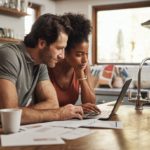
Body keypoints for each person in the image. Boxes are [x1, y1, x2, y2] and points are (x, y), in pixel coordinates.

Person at [0, 13, 83, 124]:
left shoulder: (41, 64)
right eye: (59, 48)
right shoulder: (8, 55)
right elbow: (9, 115)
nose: (62, 56)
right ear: (42, 43)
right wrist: (58, 114)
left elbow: (53, 103)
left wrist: (22, 112)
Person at [48, 13, 100, 113]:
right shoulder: (49, 65)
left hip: (67, 123)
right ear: (64, 51)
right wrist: (74, 108)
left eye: (86, 54)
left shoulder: (83, 65)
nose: (85, 60)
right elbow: (42, 107)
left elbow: (91, 104)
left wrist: (80, 74)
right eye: (79, 54)